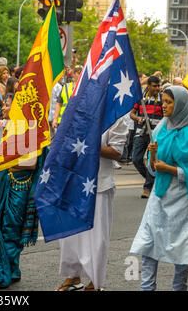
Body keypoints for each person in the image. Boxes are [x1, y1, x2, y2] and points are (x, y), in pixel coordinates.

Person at [130, 86, 188, 291]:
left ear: (180, 104)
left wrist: (171, 169)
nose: (163, 106)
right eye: (163, 101)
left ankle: (179, 288)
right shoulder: (160, 129)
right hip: (159, 196)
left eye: (168, 102)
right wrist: (153, 157)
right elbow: (153, 171)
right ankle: (147, 288)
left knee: (182, 249)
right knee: (148, 244)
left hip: (183, 200)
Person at [56, 117, 128, 291]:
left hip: (100, 184)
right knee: (69, 235)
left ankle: (95, 283)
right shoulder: (82, 109)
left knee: (97, 238)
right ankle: (72, 277)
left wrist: (89, 145)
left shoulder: (117, 116)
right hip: (74, 180)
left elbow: (117, 152)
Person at [0, 95, 46, 289]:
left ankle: (4, 273)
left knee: (9, 228)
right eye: (4, 104)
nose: (3, 108)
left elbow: (30, 164)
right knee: (2, 226)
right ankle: (12, 270)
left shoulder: (29, 131)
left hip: (19, 185)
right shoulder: (2, 127)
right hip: (2, 182)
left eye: (7, 105)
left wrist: (7, 161)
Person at [129, 75, 163, 199]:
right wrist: (138, 118)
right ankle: (151, 178)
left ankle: (147, 187)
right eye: (154, 86)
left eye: (158, 86)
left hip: (156, 135)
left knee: (150, 160)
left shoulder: (163, 98)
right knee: (136, 159)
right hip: (141, 132)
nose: (157, 88)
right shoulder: (140, 98)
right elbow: (132, 113)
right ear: (148, 86)